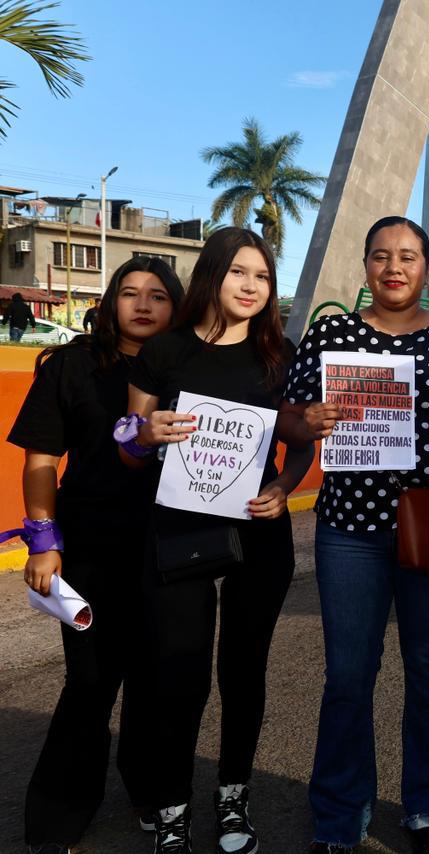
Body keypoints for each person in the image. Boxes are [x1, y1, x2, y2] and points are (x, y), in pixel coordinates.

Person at [279, 216, 429, 854]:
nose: (394, 266)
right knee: (347, 677)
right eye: (382, 255)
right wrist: (306, 419)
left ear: (427, 269)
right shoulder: (331, 332)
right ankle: (339, 814)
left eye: (408, 256)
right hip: (349, 531)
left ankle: (428, 808)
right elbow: (292, 421)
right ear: (365, 266)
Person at [120, 227, 312, 854]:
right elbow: (127, 438)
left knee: (244, 670)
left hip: (260, 528)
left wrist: (284, 485)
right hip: (180, 529)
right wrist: (145, 435)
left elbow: (302, 443)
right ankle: (172, 806)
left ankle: (234, 798)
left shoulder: (280, 356)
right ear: (211, 276)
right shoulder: (166, 351)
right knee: (180, 673)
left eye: (261, 276)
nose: (251, 286)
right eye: (238, 272)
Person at [9, 258, 183, 854]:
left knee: (155, 676)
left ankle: (147, 787)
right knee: (90, 679)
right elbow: (39, 461)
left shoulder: (191, 369)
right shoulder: (70, 365)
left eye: (158, 296)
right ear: (109, 302)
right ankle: (60, 807)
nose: (142, 305)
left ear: (176, 307)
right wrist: (43, 539)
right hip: (90, 545)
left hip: (170, 545)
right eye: (129, 293)